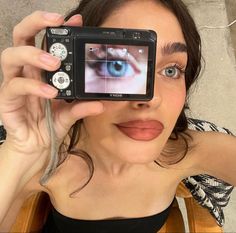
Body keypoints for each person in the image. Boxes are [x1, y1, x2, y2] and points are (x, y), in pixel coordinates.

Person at [0, 0, 235, 232]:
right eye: (116, 66)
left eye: (171, 70)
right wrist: (20, 154)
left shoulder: (183, 153)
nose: (151, 99)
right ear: (77, 73)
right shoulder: (49, 162)